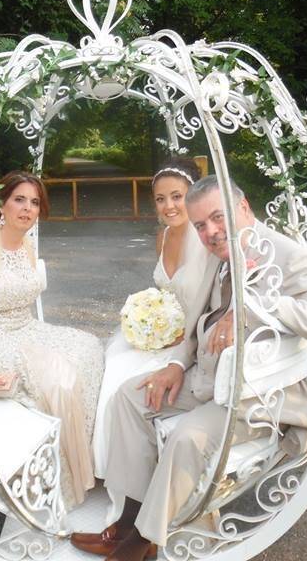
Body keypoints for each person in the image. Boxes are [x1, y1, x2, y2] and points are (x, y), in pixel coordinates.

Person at [71, 175, 307, 561]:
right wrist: (174, 364)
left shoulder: (287, 255)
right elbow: (198, 322)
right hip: (209, 378)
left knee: (188, 436)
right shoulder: (217, 258)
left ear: (244, 208)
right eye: (201, 225)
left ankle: (141, 542)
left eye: (219, 218)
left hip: (262, 393)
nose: (212, 232)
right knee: (130, 397)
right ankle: (126, 521)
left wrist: (258, 308)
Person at [0, 171, 104, 508]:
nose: (27, 209)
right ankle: (58, 479)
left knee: (89, 348)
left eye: (34, 202)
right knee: (57, 383)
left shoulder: (28, 243)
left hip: (28, 327)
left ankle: (85, 459)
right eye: (19, 199)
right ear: (2, 203)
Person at [91, 159, 217, 498]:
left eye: (177, 196)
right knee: (112, 361)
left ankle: (130, 481)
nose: (169, 206)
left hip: (188, 340)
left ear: (193, 195)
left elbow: (210, 301)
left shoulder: (206, 239)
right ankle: (109, 469)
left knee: (125, 378)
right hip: (165, 333)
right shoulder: (163, 237)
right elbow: (165, 293)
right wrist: (150, 322)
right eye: (160, 199)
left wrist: (177, 337)